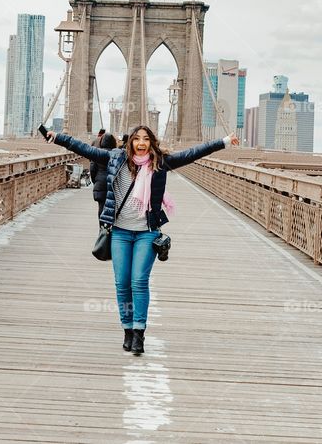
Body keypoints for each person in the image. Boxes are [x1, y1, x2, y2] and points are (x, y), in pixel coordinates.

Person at [44, 124, 237, 354]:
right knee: (122, 283)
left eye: (146, 139)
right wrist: (58, 138)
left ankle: (139, 333)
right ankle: (127, 329)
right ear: (130, 143)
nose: (142, 143)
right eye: (137, 139)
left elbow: (192, 154)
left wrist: (224, 141)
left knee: (138, 281)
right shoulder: (115, 158)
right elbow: (85, 149)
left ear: (151, 142)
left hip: (147, 232)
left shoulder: (160, 163)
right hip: (119, 232)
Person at [90, 133, 117, 217]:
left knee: (101, 207)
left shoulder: (97, 154)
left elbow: (92, 170)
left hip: (100, 184)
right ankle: (112, 227)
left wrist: (96, 181)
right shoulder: (117, 155)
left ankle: (102, 227)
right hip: (114, 184)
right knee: (114, 208)